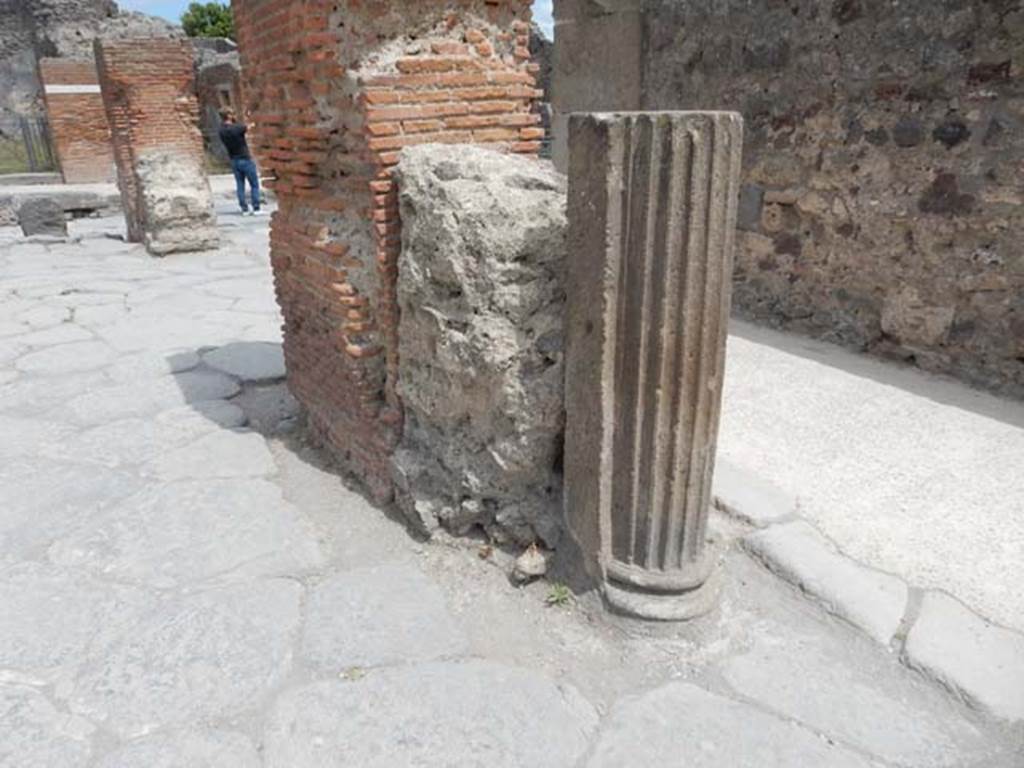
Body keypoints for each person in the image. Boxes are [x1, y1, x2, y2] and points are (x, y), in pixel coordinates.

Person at [218, 108, 262, 216]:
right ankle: (256, 207)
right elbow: (250, 126)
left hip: (234, 160)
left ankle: (244, 208)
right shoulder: (237, 128)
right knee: (254, 184)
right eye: (232, 113)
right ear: (228, 115)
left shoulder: (221, 131)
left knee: (240, 185)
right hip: (245, 159)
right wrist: (251, 117)